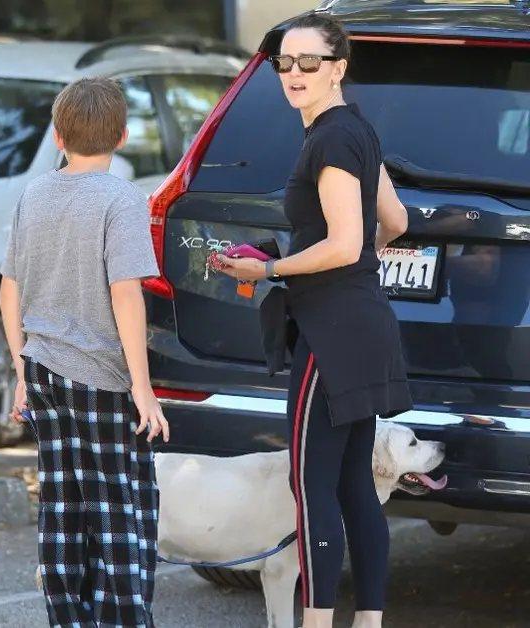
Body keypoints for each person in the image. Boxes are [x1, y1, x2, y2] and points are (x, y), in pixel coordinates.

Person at [214, 13, 412, 628]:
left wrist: (268, 273)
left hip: (329, 336)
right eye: (284, 63)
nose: (294, 74)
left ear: (339, 67)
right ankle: (369, 621)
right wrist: (341, 275)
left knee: (312, 487)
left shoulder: (329, 139)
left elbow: (345, 243)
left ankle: (320, 620)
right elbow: (396, 224)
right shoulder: (356, 130)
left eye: (310, 63)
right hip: (364, 326)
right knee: (354, 484)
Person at [0, 77, 170, 628]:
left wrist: (21, 368)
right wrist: (142, 388)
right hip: (104, 378)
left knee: (63, 505)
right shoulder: (123, 200)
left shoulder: (35, 194)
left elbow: (10, 286)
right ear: (121, 137)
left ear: (57, 135)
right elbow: (127, 294)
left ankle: (69, 617)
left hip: (45, 371)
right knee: (122, 511)